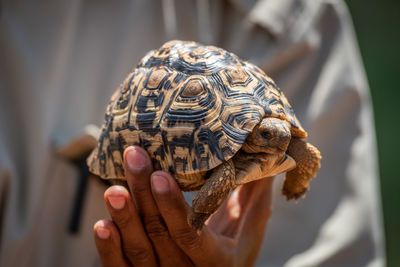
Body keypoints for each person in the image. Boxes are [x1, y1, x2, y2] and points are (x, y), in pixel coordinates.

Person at [0, 0, 385, 266]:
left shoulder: (299, 19)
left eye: (280, 133)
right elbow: (227, 172)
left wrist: (296, 180)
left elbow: (303, 157)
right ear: (252, 134)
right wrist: (196, 222)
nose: (281, 140)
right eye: (269, 136)